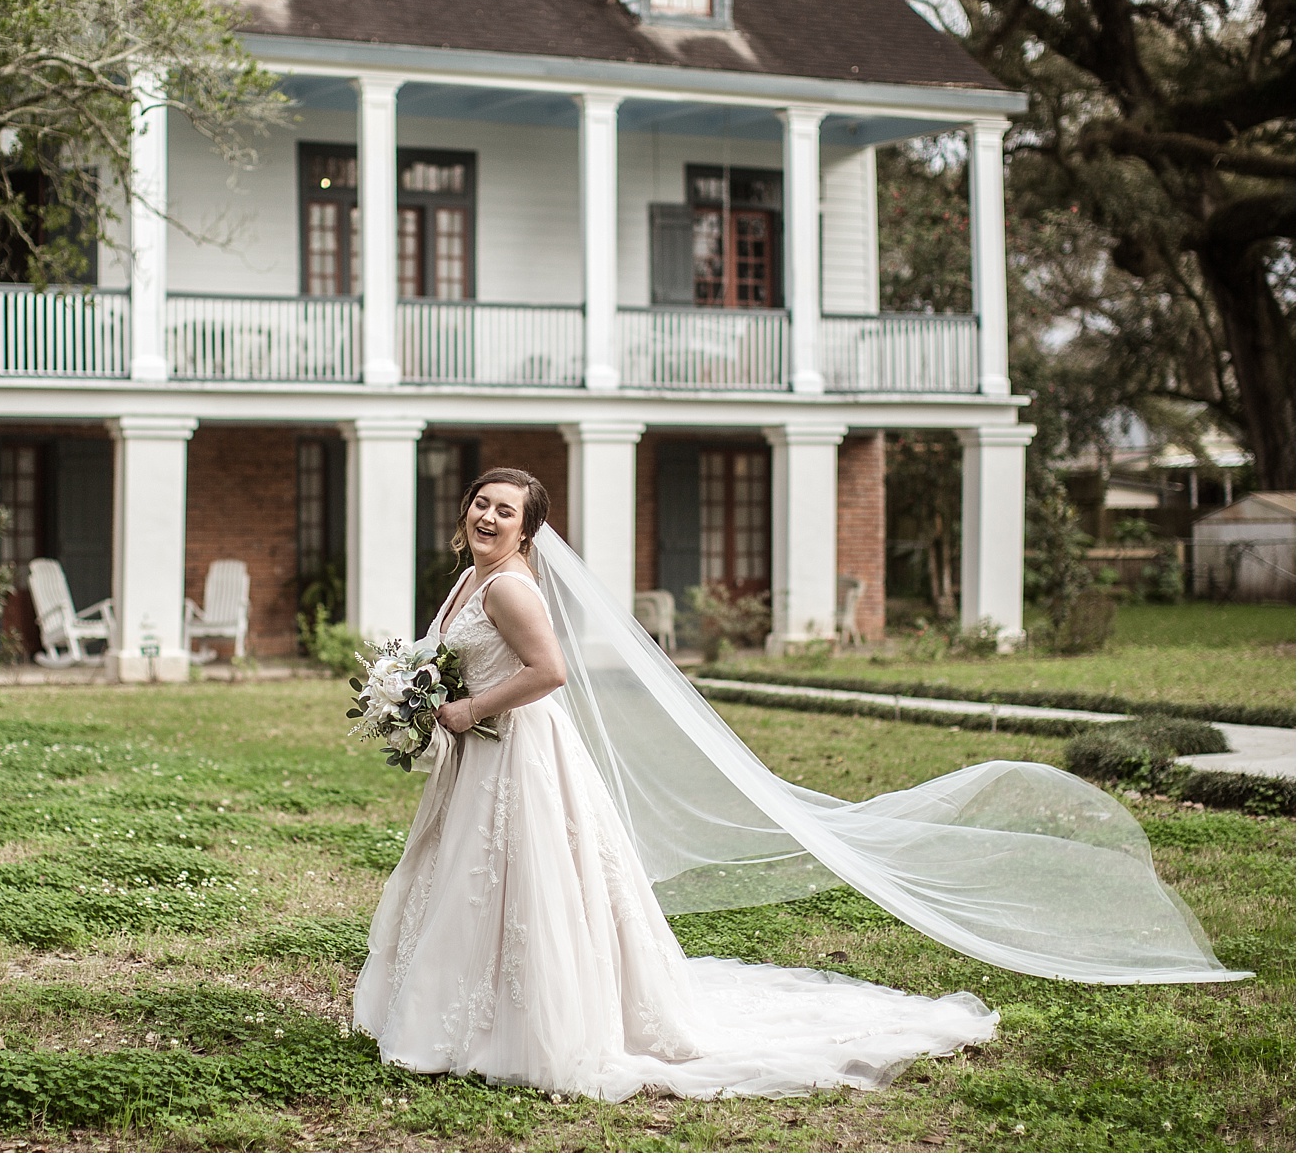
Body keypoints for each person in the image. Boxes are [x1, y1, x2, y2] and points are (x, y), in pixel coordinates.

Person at [351, 467, 1244, 1101]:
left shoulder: (512, 588)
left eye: (504, 509)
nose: (486, 515)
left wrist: (466, 713)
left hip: (520, 749)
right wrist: (425, 699)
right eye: (480, 502)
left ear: (529, 527)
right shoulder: (474, 577)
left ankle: (521, 1020)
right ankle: (461, 1007)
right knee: (477, 877)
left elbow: (548, 672)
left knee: (526, 880)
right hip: (488, 749)